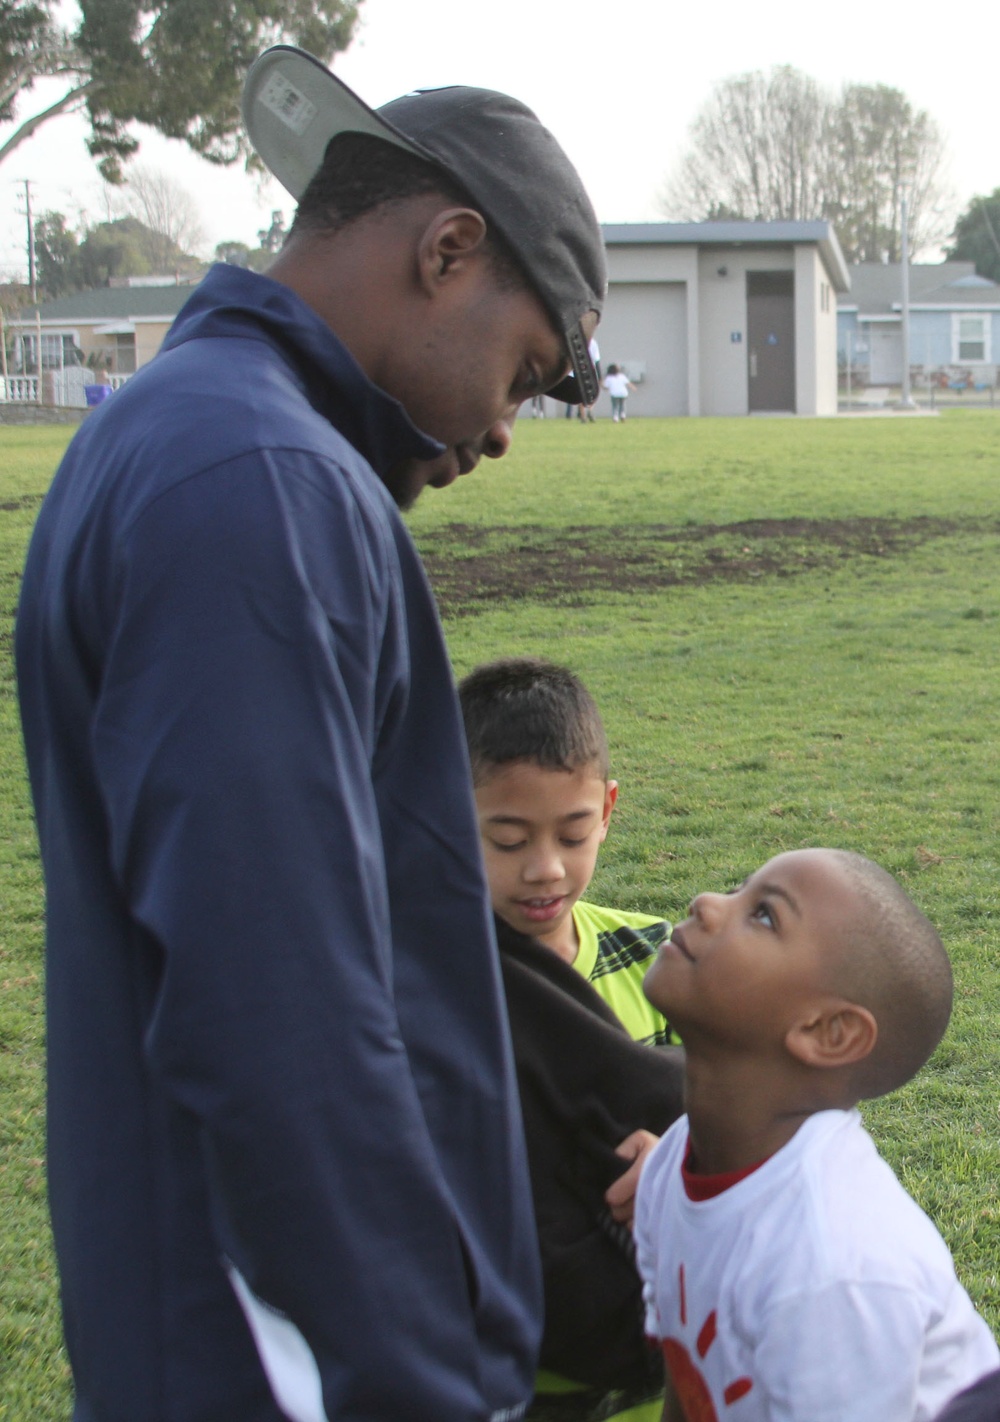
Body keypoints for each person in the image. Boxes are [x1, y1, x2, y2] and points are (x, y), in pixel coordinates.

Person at [15, 44, 606, 1422]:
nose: (505, 433)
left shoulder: (194, 434)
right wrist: (411, 1373)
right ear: (450, 249)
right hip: (294, 1365)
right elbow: (274, 1011)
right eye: (524, 371)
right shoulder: (258, 480)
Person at [635, 848, 1000, 1422]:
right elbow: (687, 1378)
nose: (704, 904)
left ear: (827, 1032)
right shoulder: (673, 1161)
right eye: (737, 888)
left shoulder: (834, 1267)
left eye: (763, 915)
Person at [459, 658, 684, 1422]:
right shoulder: (428, 994)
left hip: (675, 1368)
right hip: (509, 1380)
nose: (545, 869)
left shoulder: (667, 963)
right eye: (508, 838)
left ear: (609, 808)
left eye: (573, 832)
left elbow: (774, 1121)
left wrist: (690, 1159)